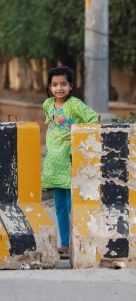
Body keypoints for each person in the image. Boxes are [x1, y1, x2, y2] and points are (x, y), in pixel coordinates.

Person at [41, 66, 98, 260]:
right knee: (59, 207)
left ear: (71, 86)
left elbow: (93, 118)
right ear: (49, 86)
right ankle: (64, 245)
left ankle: (76, 243)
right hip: (54, 162)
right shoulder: (48, 104)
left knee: (71, 204)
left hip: (70, 159)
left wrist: (76, 134)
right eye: (55, 84)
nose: (59, 88)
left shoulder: (75, 104)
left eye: (63, 84)